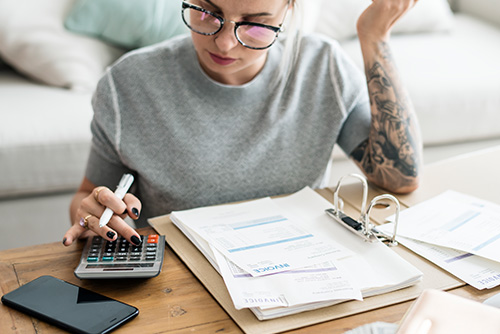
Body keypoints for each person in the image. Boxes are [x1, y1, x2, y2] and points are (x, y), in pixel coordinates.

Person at [63, 0, 422, 247]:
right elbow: (89, 195)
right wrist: (92, 215)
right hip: (180, 284)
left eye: (256, 25)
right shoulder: (128, 84)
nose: (223, 43)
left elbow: (399, 177)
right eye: (207, 12)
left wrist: (374, 37)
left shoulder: (323, 67)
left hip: (300, 268)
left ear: (289, 10)